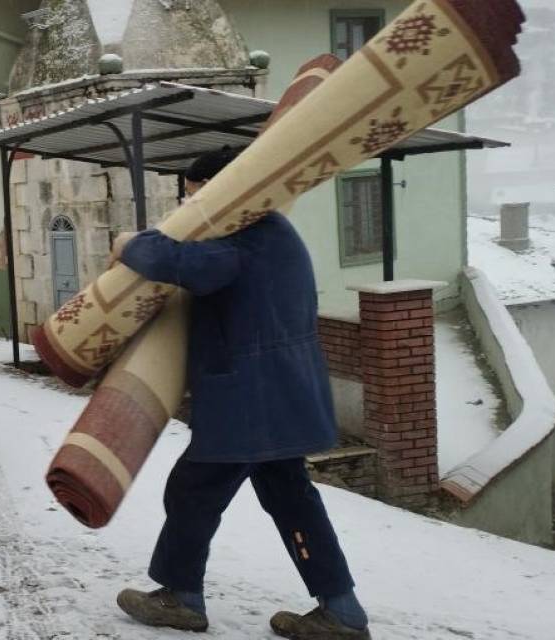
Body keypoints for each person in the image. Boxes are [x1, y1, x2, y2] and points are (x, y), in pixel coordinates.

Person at [110, 148, 371, 639]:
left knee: (193, 490)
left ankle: (181, 596)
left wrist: (128, 244)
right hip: (280, 397)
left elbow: (180, 261)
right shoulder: (270, 230)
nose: (191, 209)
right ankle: (342, 610)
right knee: (291, 497)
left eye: (194, 197)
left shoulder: (242, 236)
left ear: (220, 191)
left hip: (250, 402)